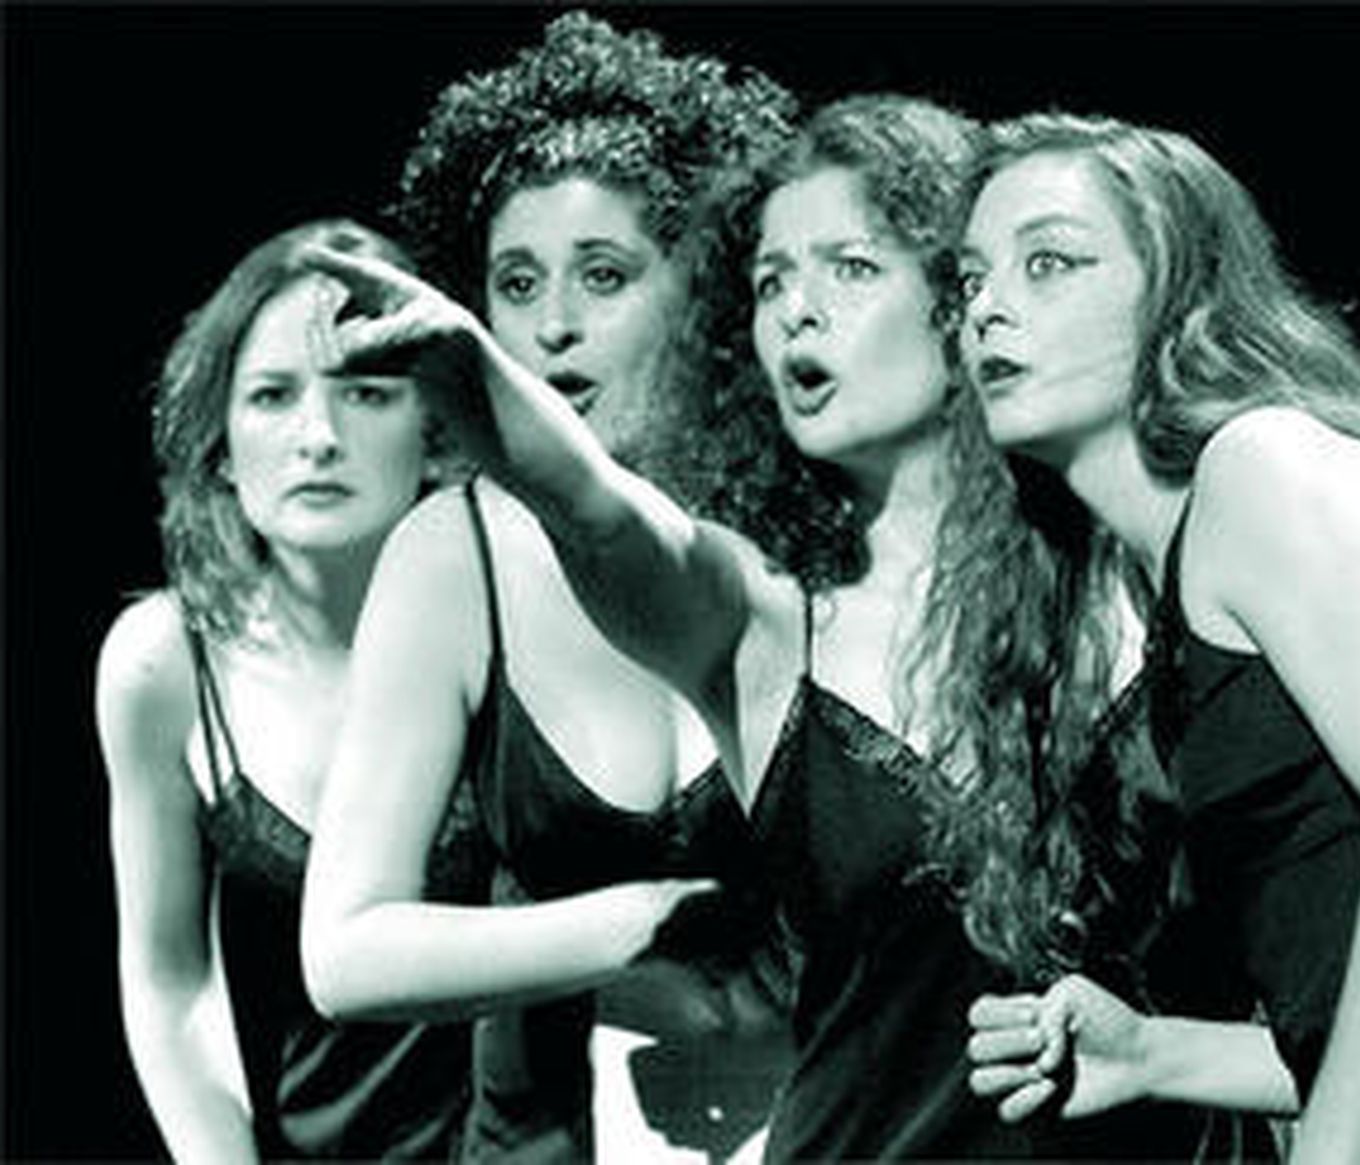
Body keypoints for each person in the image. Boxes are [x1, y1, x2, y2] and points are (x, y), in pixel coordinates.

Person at [304, 93, 1208, 1161]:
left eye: (849, 268)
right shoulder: (765, 614)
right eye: (771, 281)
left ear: (959, 297)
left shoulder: (1145, 563)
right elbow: (600, 518)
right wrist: (468, 375)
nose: (796, 313)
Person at [956, 111, 1360, 1160]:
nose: (987, 307)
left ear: (1179, 294)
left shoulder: (1264, 468)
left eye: (1050, 264)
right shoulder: (1189, 574)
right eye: (971, 279)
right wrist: (1156, 1054)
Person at [297, 13, 795, 1162]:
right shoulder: (453, 554)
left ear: (707, 293)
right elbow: (345, 950)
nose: (552, 327)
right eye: (515, 284)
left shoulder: (798, 530)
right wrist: (643, 924)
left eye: (603, 277)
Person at [94, 219, 479, 1161]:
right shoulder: (164, 663)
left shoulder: (515, 626)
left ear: (434, 431)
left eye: (368, 392)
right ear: (222, 444)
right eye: (273, 395)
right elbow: (170, 981)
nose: (319, 437)